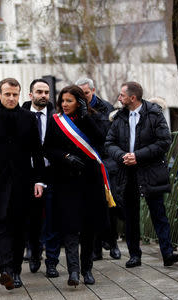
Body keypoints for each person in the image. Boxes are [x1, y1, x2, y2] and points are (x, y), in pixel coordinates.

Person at [0, 78, 44, 290]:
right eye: (7, 94)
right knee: (2, 226)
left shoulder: (29, 118)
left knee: (20, 228)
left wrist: (39, 180)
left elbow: (37, 152)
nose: (12, 98)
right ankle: (5, 270)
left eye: (15, 94)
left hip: (23, 182)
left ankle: (16, 270)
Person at [105, 81, 178, 268]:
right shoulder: (119, 117)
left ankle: (167, 253)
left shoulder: (154, 114)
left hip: (150, 170)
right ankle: (134, 256)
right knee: (131, 216)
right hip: (127, 171)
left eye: (122, 95)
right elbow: (109, 143)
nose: (119, 98)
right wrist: (123, 156)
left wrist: (138, 156)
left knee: (158, 213)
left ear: (133, 97)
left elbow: (164, 141)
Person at [43, 85, 111, 286]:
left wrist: (85, 117)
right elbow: (48, 148)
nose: (64, 105)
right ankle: (73, 271)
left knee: (89, 227)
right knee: (70, 227)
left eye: (69, 101)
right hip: (66, 181)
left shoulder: (94, 118)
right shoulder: (56, 121)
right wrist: (65, 157)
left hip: (90, 180)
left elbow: (101, 141)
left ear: (79, 102)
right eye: (62, 101)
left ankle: (87, 269)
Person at [75, 77, 121, 260]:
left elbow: (110, 137)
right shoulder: (74, 109)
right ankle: (95, 248)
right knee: (90, 207)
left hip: (106, 161)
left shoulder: (107, 108)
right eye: (80, 94)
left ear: (93, 91)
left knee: (111, 204)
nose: (83, 97)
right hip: (86, 162)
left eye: (85, 93)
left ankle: (113, 241)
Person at [21, 79, 60, 278]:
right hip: (27, 174)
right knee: (32, 218)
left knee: (52, 218)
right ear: (30, 95)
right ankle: (34, 252)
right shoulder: (20, 117)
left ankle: (52, 261)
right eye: (39, 91)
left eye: (46, 92)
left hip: (51, 173)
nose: (43, 95)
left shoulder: (56, 117)